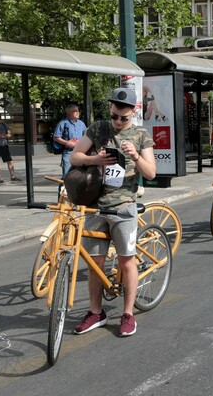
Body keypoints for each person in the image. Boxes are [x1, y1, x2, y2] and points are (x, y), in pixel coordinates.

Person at [70, 88, 156, 337]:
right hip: (95, 206)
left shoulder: (141, 134)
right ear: (110, 108)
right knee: (95, 263)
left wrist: (136, 156)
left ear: (133, 112)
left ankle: (128, 314)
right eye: (116, 116)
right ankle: (96, 312)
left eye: (124, 118)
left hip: (123, 207)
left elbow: (150, 173)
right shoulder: (98, 129)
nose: (118, 122)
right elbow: (76, 157)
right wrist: (94, 160)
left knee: (125, 261)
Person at [53, 104, 87, 178]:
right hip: (68, 152)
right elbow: (56, 137)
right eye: (75, 111)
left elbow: (86, 136)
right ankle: (62, 189)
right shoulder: (63, 123)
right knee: (67, 174)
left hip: (80, 152)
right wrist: (67, 143)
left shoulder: (81, 124)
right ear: (69, 113)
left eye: (78, 111)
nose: (78, 112)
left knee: (79, 175)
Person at [0, 113, 20, 183]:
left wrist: (3, 136)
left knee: (10, 161)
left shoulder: (3, 124)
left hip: (4, 146)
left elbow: (9, 134)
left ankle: (13, 176)